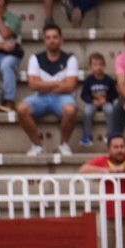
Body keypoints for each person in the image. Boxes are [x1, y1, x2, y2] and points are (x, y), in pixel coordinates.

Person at [15, 22, 79, 156]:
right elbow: (32, 85)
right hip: (41, 97)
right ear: (44, 40)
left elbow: (71, 85)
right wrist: (59, 83)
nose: (52, 40)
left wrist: (44, 85)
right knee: (21, 108)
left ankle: (63, 144)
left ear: (61, 39)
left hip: (62, 98)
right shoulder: (35, 58)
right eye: (48, 37)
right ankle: (37, 145)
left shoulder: (70, 59)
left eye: (55, 37)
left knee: (71, 109)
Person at [78, 52, 119, 147]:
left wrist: (107, 99)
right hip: (93, 103)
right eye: (95, 65)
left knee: (110, 110)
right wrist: (92, 101)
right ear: (90, 67)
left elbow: (115, 94)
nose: (98, 67)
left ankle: (110, 134)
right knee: (87, 111)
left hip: (106, 102)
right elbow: (84, 95)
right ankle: (87, 135)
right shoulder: (89, 80)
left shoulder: (109, 80)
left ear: (104, 66)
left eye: (101, 64)